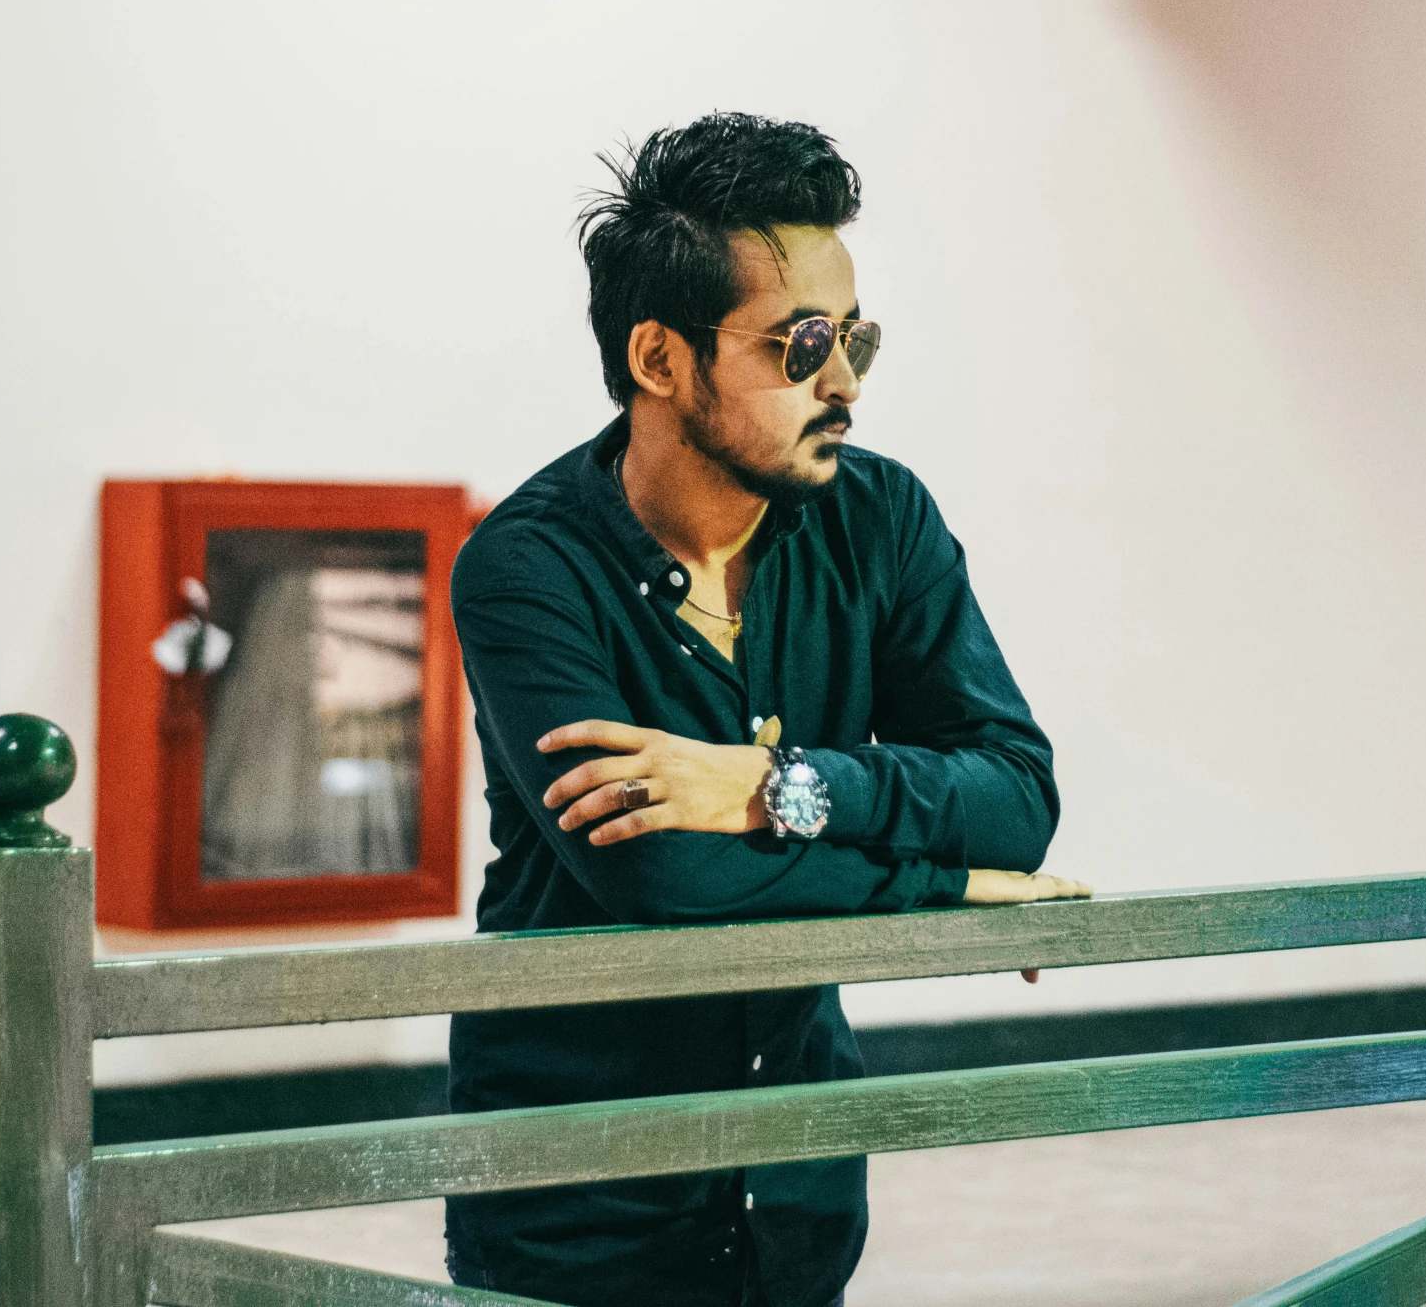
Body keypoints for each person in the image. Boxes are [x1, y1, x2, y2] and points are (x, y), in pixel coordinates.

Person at [445, 113, 1088, 1307]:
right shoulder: (524, 571)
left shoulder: (879, 521)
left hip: (798, 1173)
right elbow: (660, 884)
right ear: (659, 360)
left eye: (855, 338)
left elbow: (1015, 796)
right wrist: (943, 886)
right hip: (574, 1190)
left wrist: (772, 786)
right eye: (799, 344)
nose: (841, 381)